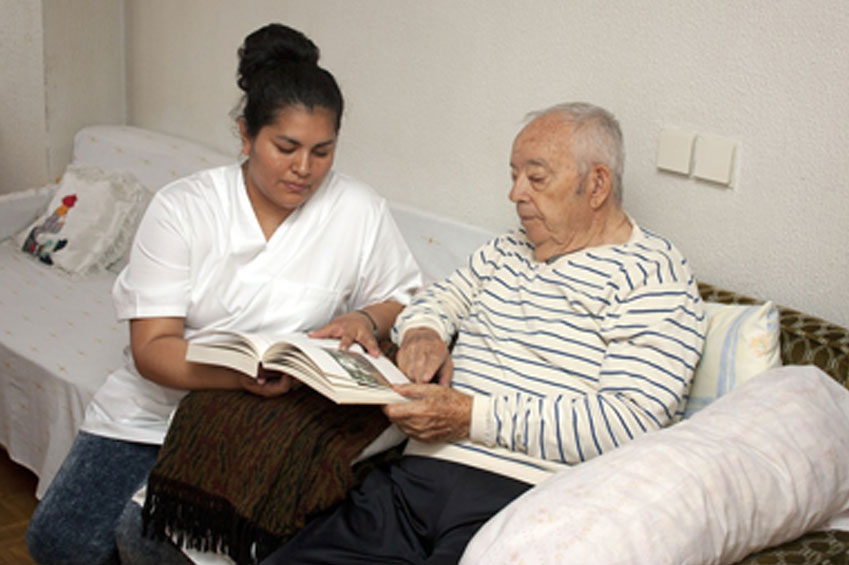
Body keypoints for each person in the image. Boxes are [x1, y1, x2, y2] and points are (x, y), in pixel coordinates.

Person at [25, 23, 422, 565]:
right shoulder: (184, 208)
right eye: (286, 147)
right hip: (156, 407)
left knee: (144, 539)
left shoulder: (357, 208)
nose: (304, 169)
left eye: (322, 151)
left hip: (258, 419)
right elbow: (153, 348)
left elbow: (399, 295)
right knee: (59, 542)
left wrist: (365, 319)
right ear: (245, 135)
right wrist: (237, 373)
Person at [261, 102, 708, 564]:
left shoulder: (652, 275)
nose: (515, 194)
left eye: (535, 178)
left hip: (529, 505)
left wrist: (472, 417)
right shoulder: (508, 248)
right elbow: (438, 299)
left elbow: (626, 423)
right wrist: (423, 334)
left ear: (596, 184)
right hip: (414, 479)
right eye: (514, 175)